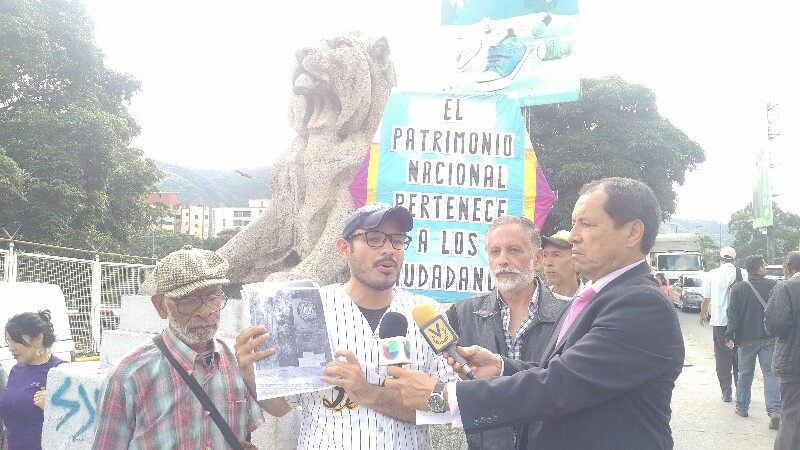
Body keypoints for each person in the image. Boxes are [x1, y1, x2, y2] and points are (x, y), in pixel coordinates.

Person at [384, 177, 685, 449]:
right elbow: (558, 372)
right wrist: (502, 367)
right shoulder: (601, 296)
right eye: (574, 224)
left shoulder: (641, 305)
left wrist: (444, 396)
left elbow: (561, 385)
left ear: (633, 232)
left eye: (586, 224)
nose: (574, 236)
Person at [235, 203, 454, 450]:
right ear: (344, 248)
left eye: (397, 240)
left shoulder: (428, 313)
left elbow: (450, 408)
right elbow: (281, 406)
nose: (388, 249)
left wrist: (368, 393)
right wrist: (249, 371)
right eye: (374, 238)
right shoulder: (308, 309)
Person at [93, 245, 269, 449]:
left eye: (213, 297)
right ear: (161, 306)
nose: (205, 311)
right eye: (188, 301)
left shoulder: (239, 361)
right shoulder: (128, 378)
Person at [445, 216, 569, 449]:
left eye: (513, 250)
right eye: (495, 252)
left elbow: (566, 387)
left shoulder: (569, 315)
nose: (503, 260)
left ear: (538, 258)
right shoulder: (463, 314)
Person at [725, 254, 780, 427]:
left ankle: (742, 407)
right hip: (769, 337)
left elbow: (732, 314)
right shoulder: (774, 286)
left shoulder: (738, 288)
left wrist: (729, 335)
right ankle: (774, 411)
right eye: (764, 265)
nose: (766, 267)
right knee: (770, 374)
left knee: (744, 373)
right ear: (759, 268)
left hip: (746, 339)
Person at [0, 311, 65, 450]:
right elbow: (11, 424)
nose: (11, 348)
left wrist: (51, 407)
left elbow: (76, 423)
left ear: (38, 338)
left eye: (16, 340)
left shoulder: (60, 371)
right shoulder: (16, 371)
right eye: (9, 341)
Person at [700, 246, 745, 402]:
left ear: (720, 259)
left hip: (720, 322)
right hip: (739, 323)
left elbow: (706, 298)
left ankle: (726, 392)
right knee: (739, 356)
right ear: (734, 258)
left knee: (722, 357)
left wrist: (702, 315)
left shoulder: (712, 274)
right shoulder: (743, 273)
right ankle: (742, 390)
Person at [765, 251, 800, 449]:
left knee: (791, 416)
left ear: (787, 267)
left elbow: (775, 325)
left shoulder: (785, 288)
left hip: (793, 363)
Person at [541, 229, 584, 300]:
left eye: (557, 255)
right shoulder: (537, 302)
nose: (548, 263)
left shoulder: (591, 302)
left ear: (576, 260)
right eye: (545, 255)